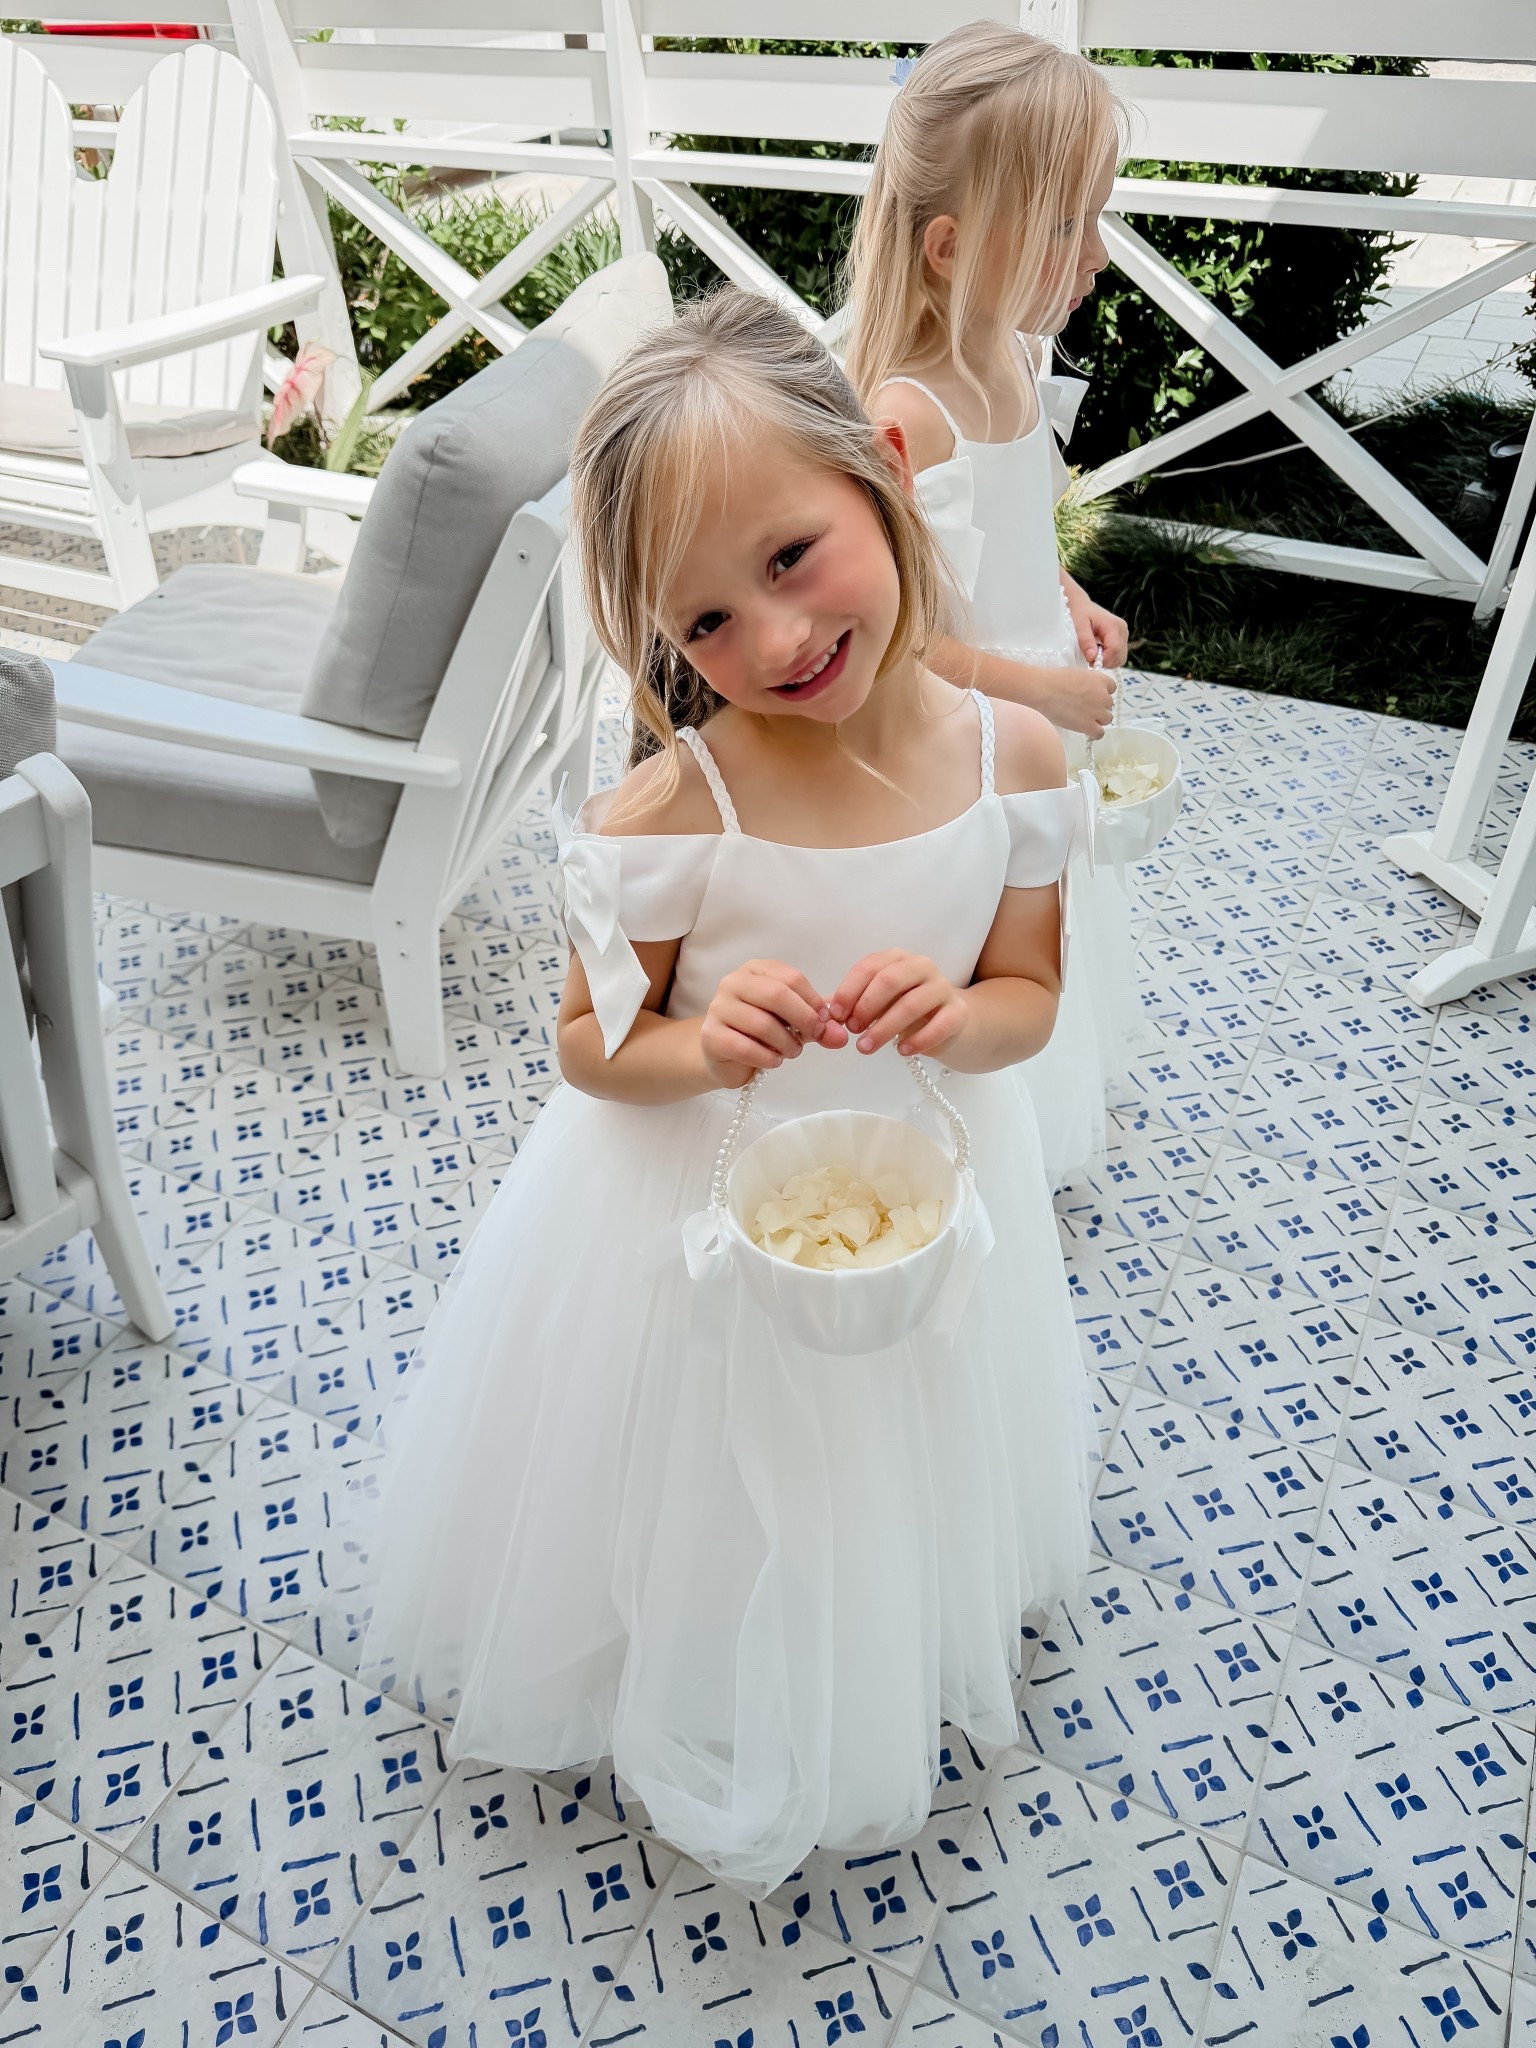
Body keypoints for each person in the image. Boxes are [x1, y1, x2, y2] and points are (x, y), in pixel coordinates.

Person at [358, 289, 1093, 1894]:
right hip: (692, 1214)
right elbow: (586, 1046)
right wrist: (708, 1041)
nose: (768, 644)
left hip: (917, 1189)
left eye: (789, 559)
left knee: (890, 1453)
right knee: (691, 1467)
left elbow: (1033, 1001)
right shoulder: (660, 817)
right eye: (700, 626)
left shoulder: (1014, 762)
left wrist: (959, 1011)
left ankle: (872, 1626)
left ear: (885, 482)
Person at [844, 20, 1139, 1183]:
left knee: (1052, 911)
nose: (1098, 254)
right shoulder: (908, 414)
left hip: (1039, 709)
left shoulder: (1013, 361)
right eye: (1069, 224)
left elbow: (1013, 526)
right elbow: (908, 641)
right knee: (992, 925)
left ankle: (1043, 1111)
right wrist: (1045, 687)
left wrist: (1067, 591)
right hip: (973, 735)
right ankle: (986, 1143)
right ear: (951, 246)